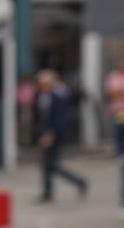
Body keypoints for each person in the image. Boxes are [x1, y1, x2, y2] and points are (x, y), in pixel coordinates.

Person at [34, 69, 89, 203]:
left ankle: (79, 182)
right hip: (48, 132)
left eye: (43, 82)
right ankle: (48, 192)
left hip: (54, 134)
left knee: (50, 164)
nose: (41, 85)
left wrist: (50, 133)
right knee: (48, 164)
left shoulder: (59, 95)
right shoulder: (45, 95)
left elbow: (59, 118)